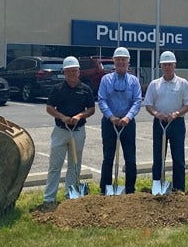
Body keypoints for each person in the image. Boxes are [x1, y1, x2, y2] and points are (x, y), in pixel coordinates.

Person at [42, 56, 95, 208]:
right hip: (61, 131)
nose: (72, 74)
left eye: (75, 71)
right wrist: (63, 117)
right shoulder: (58, 89)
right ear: (64, 72)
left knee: (75, 165)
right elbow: (49, 108)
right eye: (69, 71)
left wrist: (79, 116)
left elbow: (91, 109)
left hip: (78, 131)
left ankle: (70, 195)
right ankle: (49, 198)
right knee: (55, 165)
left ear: (79, 72)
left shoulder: (85, 89)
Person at [144, 51, 188, 192]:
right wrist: (156, 113)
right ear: (161, 66)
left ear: (174, 65)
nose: (167, 67)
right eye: (164, 65)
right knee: (158, 158)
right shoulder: (155, 84)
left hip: (176, 123)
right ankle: (158, 187)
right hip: (159, 123)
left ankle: (179, 189)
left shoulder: (182, 83)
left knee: (178, 158)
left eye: (170, 64)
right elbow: (148, 104)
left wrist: (177, 113)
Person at [97, 46, 143, 194]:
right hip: (109, 122)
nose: (121, 62)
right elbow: (102, 100)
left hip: (127, 123)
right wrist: (111, 117)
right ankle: (105, 189)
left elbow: (137, 101)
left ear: (128, 62)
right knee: (108, 157)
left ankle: (130, 189)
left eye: (124, 60)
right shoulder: (106, 80)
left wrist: (127, 118)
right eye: (118, 60)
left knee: (130, 158)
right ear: (114, 62)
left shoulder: (134, 81)